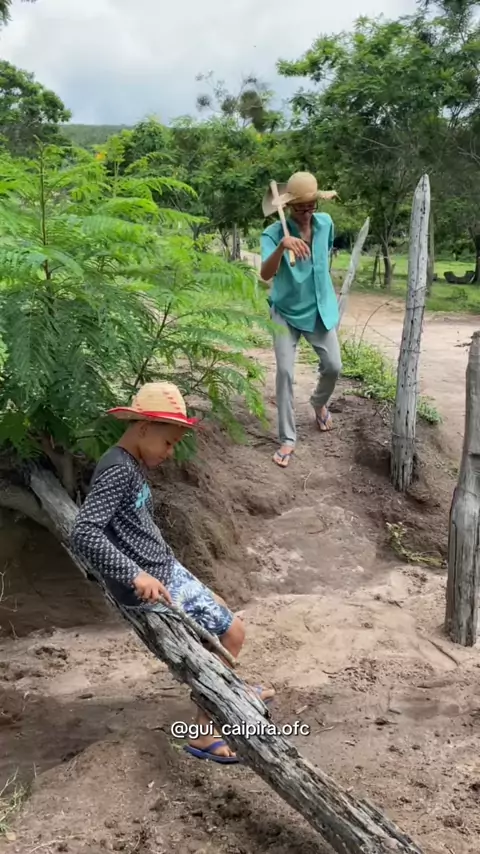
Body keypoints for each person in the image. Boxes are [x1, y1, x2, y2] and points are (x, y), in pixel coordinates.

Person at [70, 381, 274, 764]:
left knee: (221, 610)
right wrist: (135, 575)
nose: (170, 451)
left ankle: (232, 687)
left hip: (163, 570)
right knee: (233, 632)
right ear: (144, 428)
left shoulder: (128, 463)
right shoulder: (117, 470)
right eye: (168, 442)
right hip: (152, 581)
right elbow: (84, 531)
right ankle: (204, 733)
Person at [260, 171, 342, 468]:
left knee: (333, 366)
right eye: (299, 208)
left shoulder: (326, 224)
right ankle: (287, 438)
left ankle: (318, 403)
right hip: (285, 311)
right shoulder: (273, 234)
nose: (306, 214)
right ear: (289, 207)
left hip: (319, 307)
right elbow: (265, 274)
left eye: (310, 207)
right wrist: (282, 246)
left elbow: (322, 259)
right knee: (284, 372)